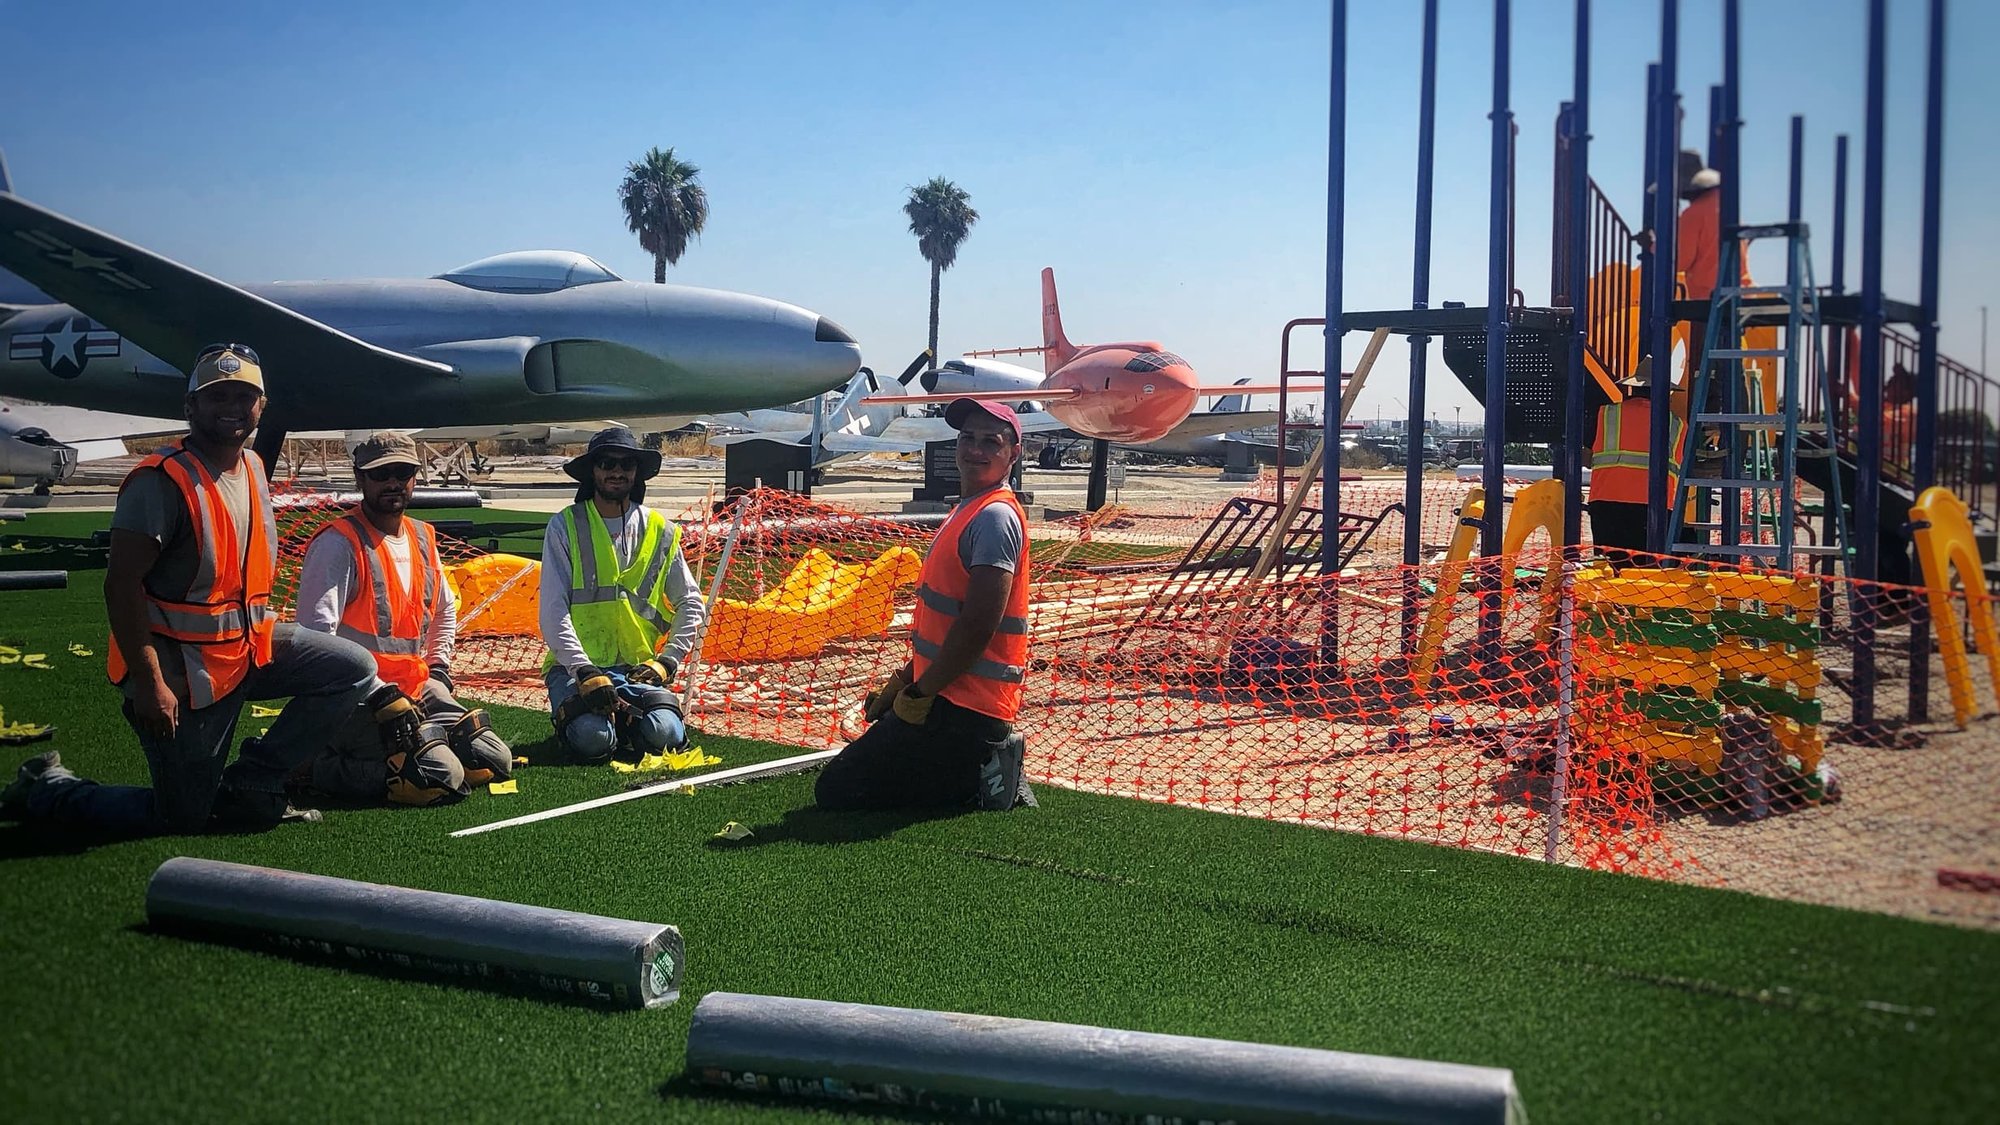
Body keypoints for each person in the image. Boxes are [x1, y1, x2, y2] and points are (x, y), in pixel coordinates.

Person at [1, 344, 376, 833]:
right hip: (182, 672)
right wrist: (151, 684)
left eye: (245, 397)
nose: (233, 408)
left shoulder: (253, 467)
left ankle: (255, 778)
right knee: (181, 815)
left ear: (262, 406)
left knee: (352, 669)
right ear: (190, 407)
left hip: (245, 653)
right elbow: (121, 587)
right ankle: (47, 788)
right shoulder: (161, 480)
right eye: (218, 397)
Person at [816, 398, 1036, 811]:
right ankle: (971, 766)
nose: (975, 450)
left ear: (1013, 454)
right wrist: (905, 680)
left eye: (991, 442)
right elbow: (947, 618)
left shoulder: (995, 517)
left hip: (969, 708)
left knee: (840, 791)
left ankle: (986, 775)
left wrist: (919, 693)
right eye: (967, 438)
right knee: (851, 779)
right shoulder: (969, 510)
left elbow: (977, 625)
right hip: (944, 693)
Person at [291, 431, 512, 806]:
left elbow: (445, 609)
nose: (393, 482)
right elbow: (316, 639)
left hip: (413, 687)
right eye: (381, 474)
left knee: (490, 758)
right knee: (440, 778)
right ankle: (311, 765)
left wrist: (438, 667)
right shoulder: (339, 543)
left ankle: (409, 753)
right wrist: (378, 692)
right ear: (360, 478)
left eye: (403, 472)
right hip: (352, 698)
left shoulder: (422, 537)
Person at [540, 427, 705, 764]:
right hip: (575, 670)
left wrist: (667, 661)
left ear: (636, 472)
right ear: (593, 471)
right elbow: (553, 611)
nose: (616, 471)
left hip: (636, 670)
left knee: (667, 735)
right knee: (593, 740)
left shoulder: (661, 530)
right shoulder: (565, 526)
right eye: (606, 463)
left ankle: (629, 719)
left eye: (626, 464)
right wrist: (583, 670)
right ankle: (603, 725)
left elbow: (691, 602)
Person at [1588, 357, 1686, 568]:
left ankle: (1610, 602)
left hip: (1605, 503)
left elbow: (1588, 454)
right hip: (1653, 507)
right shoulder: (1676, 425)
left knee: (1608, 571)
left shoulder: (1606, 414)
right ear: (1664, 392)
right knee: (1645, 575)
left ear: (1633, 388)